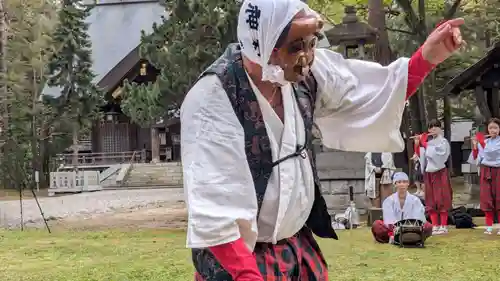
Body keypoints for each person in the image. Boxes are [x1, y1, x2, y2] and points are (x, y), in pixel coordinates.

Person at [181, 0, 464, 279]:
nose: (307, 56)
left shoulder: (304, 75)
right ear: (263, 45)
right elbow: (215, 208)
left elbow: (368, 96)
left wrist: (425, 59)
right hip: (238, 260)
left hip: (295, 247)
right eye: (297, 46)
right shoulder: (213, 100)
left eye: (311, 43)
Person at [371, 172, 432, 244]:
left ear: (408, 184)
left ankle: (411, 238)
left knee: (428, 226)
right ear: (395, 184)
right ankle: (396, 238)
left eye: (404, 182)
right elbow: (389, 220)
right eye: (399, 182)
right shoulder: (388, 201)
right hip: (393, 230)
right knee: (377, 225)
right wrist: (397, 229)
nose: (402, 184)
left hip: (412, 229)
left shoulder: (415, 200)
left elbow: (419, 217)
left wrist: (410, 227)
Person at [415, 119, 452, 235]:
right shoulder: (428, 141)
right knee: (430, 199)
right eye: (431, 127)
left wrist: (425, 144)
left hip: (440, 172)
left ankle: (444, 225)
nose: (433, 129)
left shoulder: (443, 142)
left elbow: (440, 156)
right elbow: (421, 157)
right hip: (429, 173)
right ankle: (435, 225)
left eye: (436, 127)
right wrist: (418, 144)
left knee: (441, 198)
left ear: (440, 129)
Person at [470, 118, 500, 235]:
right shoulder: (485, 141)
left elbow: (492, 154)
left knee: (498, 198)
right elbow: (477, 158)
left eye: (495, 128)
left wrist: (481, 143)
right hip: (486, 171)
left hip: (498, 171)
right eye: (491, 128)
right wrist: (475, 146)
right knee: (487, 198)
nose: (493, 130)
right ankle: (489, 226)